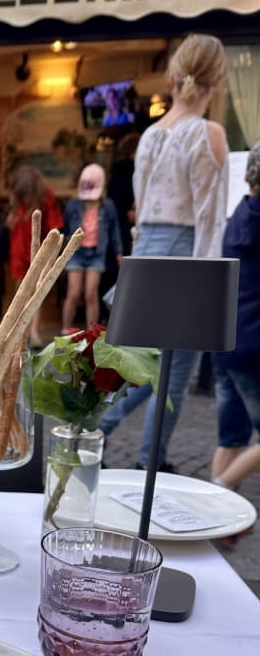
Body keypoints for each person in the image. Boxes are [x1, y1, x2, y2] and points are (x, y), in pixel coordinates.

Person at [99, 33, 229, 472]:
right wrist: (210, 288)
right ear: (218, 81)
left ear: (172, 79)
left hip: (147, 253)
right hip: (184, 256)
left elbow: (140, 209)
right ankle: (150, 461)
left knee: (143, 367)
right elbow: (210, 220)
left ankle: (100, 428)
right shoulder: (207, 134)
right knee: (171, 373)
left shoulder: (151, 135)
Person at [210, 139, 260, 492]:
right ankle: (219, 490)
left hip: (225, 339)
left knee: (231, 436)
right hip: (253, 348)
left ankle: (215, 519)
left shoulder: (237, 216)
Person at [6, 165, 63, 346]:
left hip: (38, 250)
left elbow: (55, 226)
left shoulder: (46, 197)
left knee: (36, 290)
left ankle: (34, 330)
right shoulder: (19, 196)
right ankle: (19, 328)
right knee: (22, 289)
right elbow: (11, 221)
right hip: (19, 248)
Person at [61, 164, 123, 332]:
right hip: (76, 252)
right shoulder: (73, 205)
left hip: (97, 253)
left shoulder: (108, 206)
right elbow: (65, 228)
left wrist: (119, 253)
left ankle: (91, 333)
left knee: (91, 293)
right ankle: (65, 329)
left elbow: (114, 231)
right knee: (73, 293)